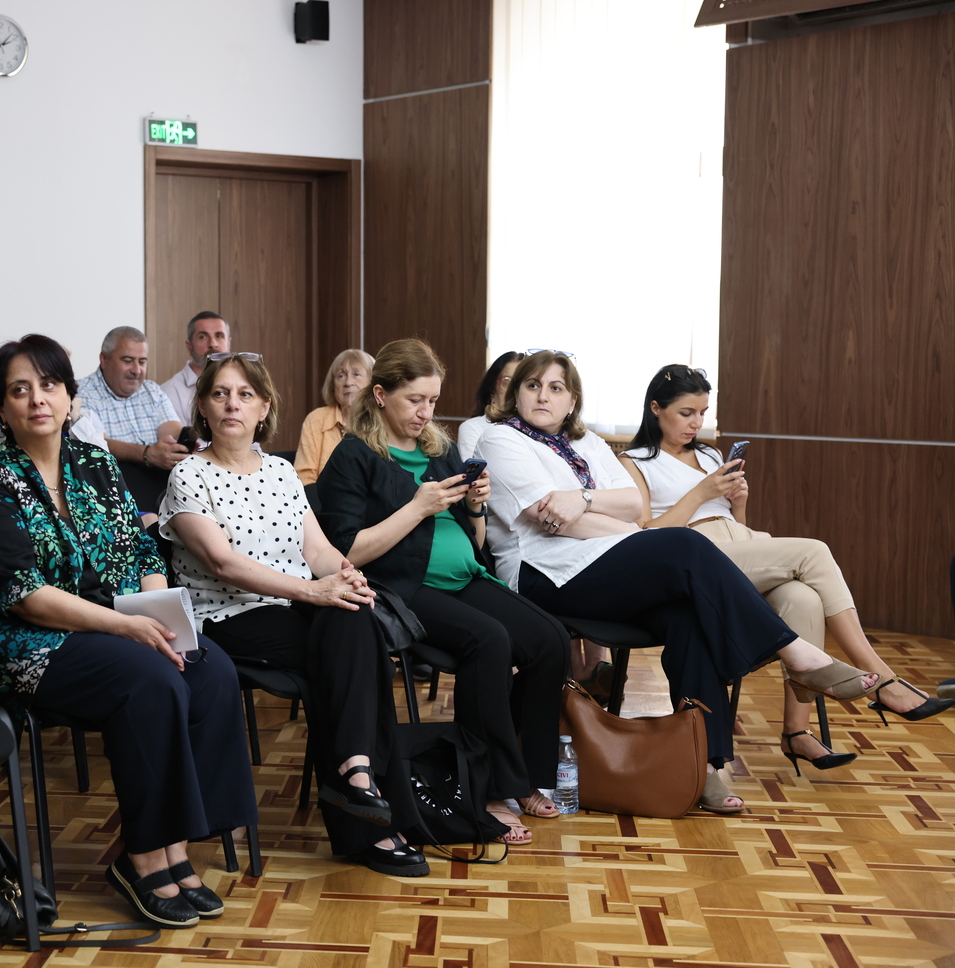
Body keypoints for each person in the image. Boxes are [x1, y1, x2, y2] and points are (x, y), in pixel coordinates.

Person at [474, 350, 879, 813]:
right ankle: (796, 652)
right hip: (545, 575)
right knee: (683, 543)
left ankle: (706, 766)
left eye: (556, 388)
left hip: (607, 564)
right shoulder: (500, 439)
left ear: (572, 402)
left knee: (690, 616)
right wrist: (608, 519)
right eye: (533, 386)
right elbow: (547, 517)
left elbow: (632, 505)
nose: (543, 396)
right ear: (516, 394)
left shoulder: (588, 444)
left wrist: (580, 500)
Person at [0, 334, 256, 928]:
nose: (38, 399)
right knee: (148, 679)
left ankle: (177, 844)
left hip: (115, 621)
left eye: (49, 385)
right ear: (1, 407)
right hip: (29, 641)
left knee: (210, 669)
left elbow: (140, 550)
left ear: (70, 396)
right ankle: (142, 855)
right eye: (19, 390)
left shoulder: (94, 464)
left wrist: (160, 614)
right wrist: (127, 626)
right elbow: (26, 597)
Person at [159, 351, 428, 876]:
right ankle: (371, 810)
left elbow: (318, 550)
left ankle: (356, 776)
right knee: (353, 653)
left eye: (245, 395)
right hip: (227, 616)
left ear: (264, 408)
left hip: (298, 606)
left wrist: (346, 576)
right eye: (220, 394)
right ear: (203, 407)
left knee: (355, 615)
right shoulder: (188, 475)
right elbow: (223, 563)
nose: (232, 404)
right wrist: (316, 592)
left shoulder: (281, 471)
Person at [619, 364, 954, 767]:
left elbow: (734, 525)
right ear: (656, 408)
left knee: (803, 599)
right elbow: (645, 536)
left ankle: (796, 732)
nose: (697, 423)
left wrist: (738, 503)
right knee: (814, 551)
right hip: (694, 556)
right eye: (686, 413)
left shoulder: (708, 454)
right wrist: (701, 493)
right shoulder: (634, 461)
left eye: (703, 413)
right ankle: (881, 678)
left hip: (740, 542)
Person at [316, 339, 569, 844]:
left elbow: (475, 541)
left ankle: (525, 772)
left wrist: (475, 507)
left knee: (551, 640)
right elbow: (346, 552)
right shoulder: (353, 456)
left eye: (432, 400)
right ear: (381, 395)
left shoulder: (439, 449)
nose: (425, 412)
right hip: (401, 586)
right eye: (415, 400)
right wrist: (417, 506)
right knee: (490, 641)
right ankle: (488, 790)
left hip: (466, 576)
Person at [75, 325, 189, 509]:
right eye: (128, 361)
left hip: (162, 486)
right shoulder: (81, 393)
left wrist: (185, 444)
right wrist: (146, 454)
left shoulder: (152, 390)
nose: (136, 370)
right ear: (104, 359)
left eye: (142, 362)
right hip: (114, 490)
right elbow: (97, 445)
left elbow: (173, 431)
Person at [293, 348, 373, 485]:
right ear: (332, 385)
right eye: (341, 376)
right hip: (322, 498)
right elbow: (305, 478)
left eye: (356, 374)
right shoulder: (317, 420)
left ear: (373, 383)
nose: (348, 382)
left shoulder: (383, 419)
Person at [161, 311, 231, 426]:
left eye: (219, 336)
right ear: (189, 347)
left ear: (228, 343)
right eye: (203, 337)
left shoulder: (241, 385)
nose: (213, 344)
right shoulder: (169, 392)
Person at [456, 351, 525, 461]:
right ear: (492, 389)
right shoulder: (473, 428)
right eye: (507, 382)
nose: (514, 391)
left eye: (523, 383)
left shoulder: (539, 431)